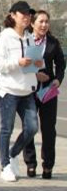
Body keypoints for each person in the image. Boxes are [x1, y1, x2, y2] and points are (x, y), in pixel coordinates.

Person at [0, 0, 41, 182]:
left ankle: (12, 155)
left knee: (32, 128)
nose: (27, 17)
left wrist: (37, 65)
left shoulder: (30, 37)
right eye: (23, 14)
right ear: (13, 15)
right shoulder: (5, 37)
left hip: (27, 91)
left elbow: (32, 64)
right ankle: (5, 166)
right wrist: (17, 63)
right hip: (9, 91)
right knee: (7, 129)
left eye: (29, 14)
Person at [23, 10, 64, 179]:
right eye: (41, 21)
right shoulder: (25, 41)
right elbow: (21, 64)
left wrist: (58, 80)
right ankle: (30, 163)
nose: (44, 25)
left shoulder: (53, 42)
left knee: (48, 129)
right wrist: (35, 75)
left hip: (48, 90)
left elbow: (61, 64)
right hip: (29, 90)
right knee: (29, 127)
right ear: (33, 23)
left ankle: (48, 166)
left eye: (46, 21)